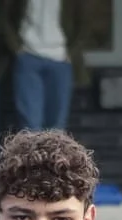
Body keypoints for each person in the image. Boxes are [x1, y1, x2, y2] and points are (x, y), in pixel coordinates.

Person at [4, 0, 75, 131]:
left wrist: (71, 52)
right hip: (29, 55)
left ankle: (52, 152)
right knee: (30, 125)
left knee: (57, 126)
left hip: (59, 58)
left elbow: (85, 22)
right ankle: (32, 152)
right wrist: (16, 48)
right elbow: (3, 17)